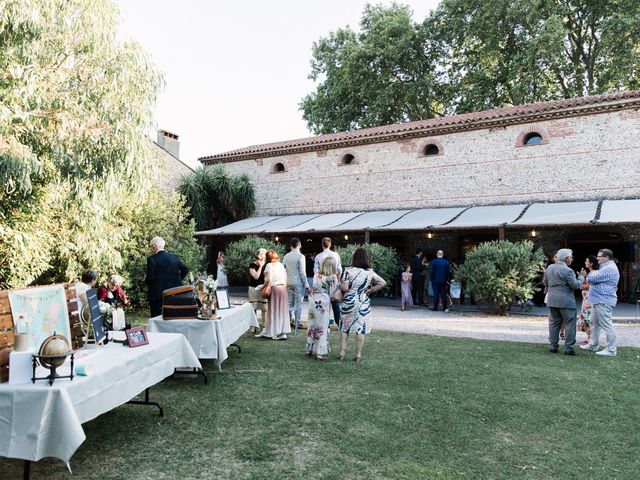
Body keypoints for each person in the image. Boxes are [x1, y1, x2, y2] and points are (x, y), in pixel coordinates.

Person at [338, 248, 386, 362]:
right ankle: (358, 354)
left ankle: (342, 353)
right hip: (362, 302)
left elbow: (344, 288)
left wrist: (342, 286)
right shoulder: (369, 272)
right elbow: (383, 282)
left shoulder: (348, 270)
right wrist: (371, 290)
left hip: (348, 301)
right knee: (361, 328)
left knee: (344, 328)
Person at [544, 248, 585, 356]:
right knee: (570, 324)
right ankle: (569, 348)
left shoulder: (549, 268)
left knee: (554, 323)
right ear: (567, 258)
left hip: (552, 299)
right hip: (566, 300)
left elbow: (545, 282)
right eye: (571, 257)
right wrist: (581, 277)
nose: (572, 259)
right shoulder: (568, 270)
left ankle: (553, 346)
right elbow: (576, 285)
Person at [580, 249, 620, 357]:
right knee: (595, 324)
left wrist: (585, 275)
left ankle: (611, 350)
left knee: (607, 325)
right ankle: (593, 345)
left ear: (606, 257)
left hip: (604, 301)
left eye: (599, 256)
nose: (597, 258)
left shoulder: (609, 268)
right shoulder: (604, 267)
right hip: (597, 300)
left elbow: (592, 278)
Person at [145, 236, 189, 317]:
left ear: (154, 247)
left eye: (151, 247)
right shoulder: (174, 257)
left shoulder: (151, 259)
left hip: (157, 295)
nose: (151, 250)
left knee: (156, 318)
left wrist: (145, 280)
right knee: (174, 316)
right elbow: (185, 270)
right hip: (174, 292)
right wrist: (177, 280)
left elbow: (150, 278)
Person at [307, 257, 339, 360]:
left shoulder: (317, 274)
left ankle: (309, 348)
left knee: (312, 324)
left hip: (313, 300)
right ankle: (320, 352)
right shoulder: (333, 277)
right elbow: (333, 293)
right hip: (324, 302)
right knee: (323, 327)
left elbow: (314, 287)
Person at [255, 249, 291, 340]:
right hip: (283, 288)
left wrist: (262, 287)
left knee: (273, 310)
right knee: (282, 311)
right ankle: (282, 332)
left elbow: (268, 280)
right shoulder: (281, 265)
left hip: (275, 288)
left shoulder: (269, 265)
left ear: (268, 257)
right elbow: (286, 279)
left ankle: (273, 332)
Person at [314, 237, 343, 326]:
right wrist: (338, 281)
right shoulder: (336, 255)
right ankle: (339, 323)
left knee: (324, 303)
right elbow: (339, 270)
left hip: (322, 279)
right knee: (335, 303)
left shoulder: (318, 256)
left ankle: (325, 324)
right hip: (334, 279)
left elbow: (316, 271)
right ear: (330, 244)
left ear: (322, 245)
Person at [283, 237, 308, 329]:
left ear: (290, 246)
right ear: (299, 245)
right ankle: (297, 322)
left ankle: (288, 322)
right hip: (298, 283)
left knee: (289, 303)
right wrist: (306, 284)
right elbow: (302, 272)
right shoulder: (301, 256)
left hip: (288, 282)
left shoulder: (286, 256)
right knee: (298, 303)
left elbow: (283, 269)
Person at [576, 255, 599, 345]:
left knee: (589, 318)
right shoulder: (590, 273)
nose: (585, 262)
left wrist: (583, 285)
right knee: (586, 318)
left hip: (590, 300)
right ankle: (589, 337)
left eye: (587, 261)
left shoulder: (594, 273)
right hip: (586, 299)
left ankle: (591, 338)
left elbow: (592, 285)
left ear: (591, 263)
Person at [248, 248, 268, 328]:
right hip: (253, 288)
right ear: (258, 255)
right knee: (253, 308)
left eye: (265, 253)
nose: (265, 254)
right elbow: (256, 277)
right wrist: (260, 266)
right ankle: (253, 326)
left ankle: (264, 325)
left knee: (264, 308)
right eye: (263, 253)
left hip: (263, 288)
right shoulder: (252, 265)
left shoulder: (267, 265)